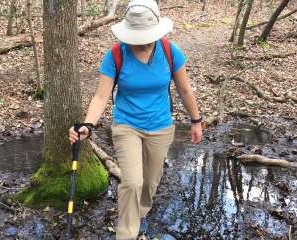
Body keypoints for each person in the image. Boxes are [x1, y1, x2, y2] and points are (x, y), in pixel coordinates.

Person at [69, 0, 203, 239]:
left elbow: (185, 90)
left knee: (149, 183)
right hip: (126, 125)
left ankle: (139, 211)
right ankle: (127, 233)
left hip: (161, 127)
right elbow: (101, 96)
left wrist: (196, 121)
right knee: (131, 182)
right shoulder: (116, 54)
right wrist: (88, 124)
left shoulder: (170, 51)